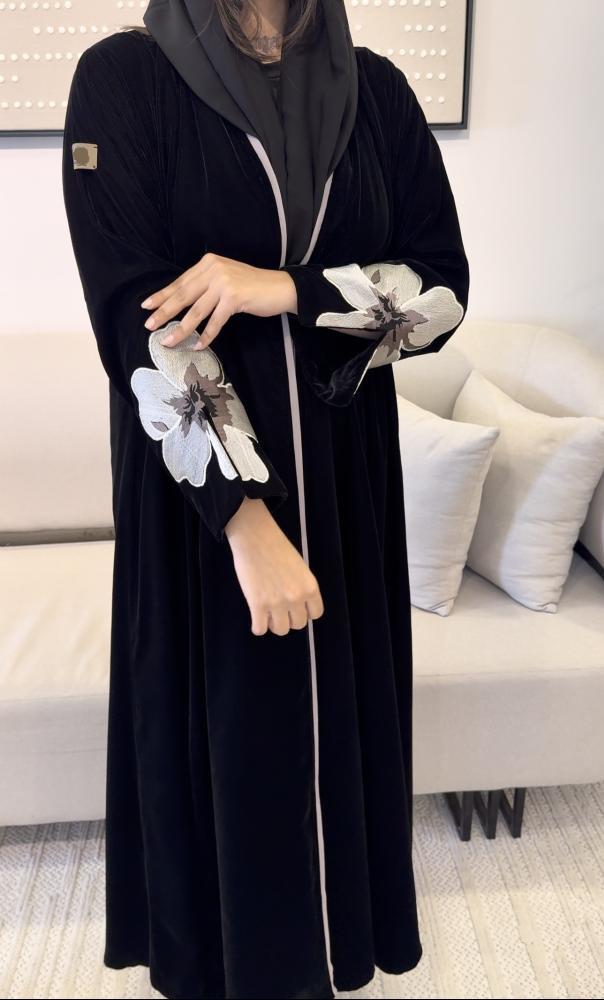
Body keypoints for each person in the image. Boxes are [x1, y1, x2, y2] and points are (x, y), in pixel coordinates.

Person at [61, 1, 470, 997]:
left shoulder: (377, 92)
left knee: (337, 739)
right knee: (236, 751)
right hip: (203, 502)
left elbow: (444, 294)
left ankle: (334, 956)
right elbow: (136, 321)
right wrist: (247, 520)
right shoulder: (126, 80)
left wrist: (285, 287)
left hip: (347, 478)